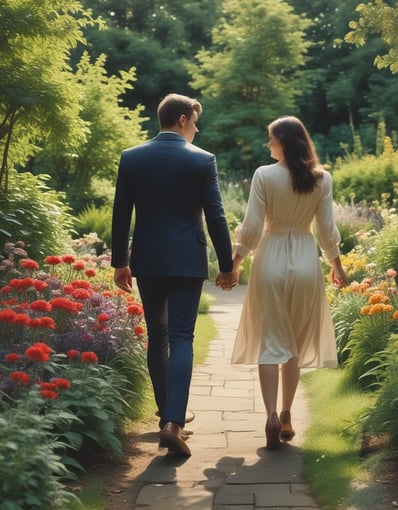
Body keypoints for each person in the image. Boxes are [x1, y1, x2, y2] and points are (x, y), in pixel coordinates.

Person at [111, 93, 238, 456]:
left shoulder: (132, 157)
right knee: (182, 337)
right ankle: (173, 422)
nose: (196, 129)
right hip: (186, 259)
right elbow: (216, 215)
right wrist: (226, 265)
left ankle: (167, 415)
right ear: (182, 119)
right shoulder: (202, 160)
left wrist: (121, 261)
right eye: (195, 122)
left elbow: (122, 214)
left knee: (158, 335)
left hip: (148, 259)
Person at [231, 116, 348, 450]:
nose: (268, 145)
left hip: (270, 260)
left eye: (271, 139)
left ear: (283, 140)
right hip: (305, 261)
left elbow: (252, 226)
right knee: (293, 344)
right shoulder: (321, 179)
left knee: (270, 339)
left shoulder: (264, 175)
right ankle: (286, 414)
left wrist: (236, 263)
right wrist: (337, 267)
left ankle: (268, 415)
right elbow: (327, 231)